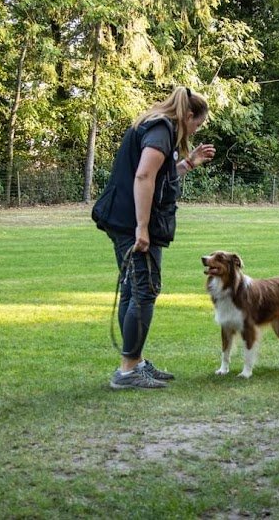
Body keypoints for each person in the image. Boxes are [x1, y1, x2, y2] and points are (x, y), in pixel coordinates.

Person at [92, 86, 216, 389]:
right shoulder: (162, 129)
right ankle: (127, 370)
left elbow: (159, 175)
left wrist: (188, 164)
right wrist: (142, 227)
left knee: (134, 291)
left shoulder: (154, 124)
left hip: (120, 217)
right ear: (187, 115)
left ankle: (136, 362)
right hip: (131, 222)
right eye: (196, 125)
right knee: (144, 291)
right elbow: (144, 176)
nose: (194, 131)